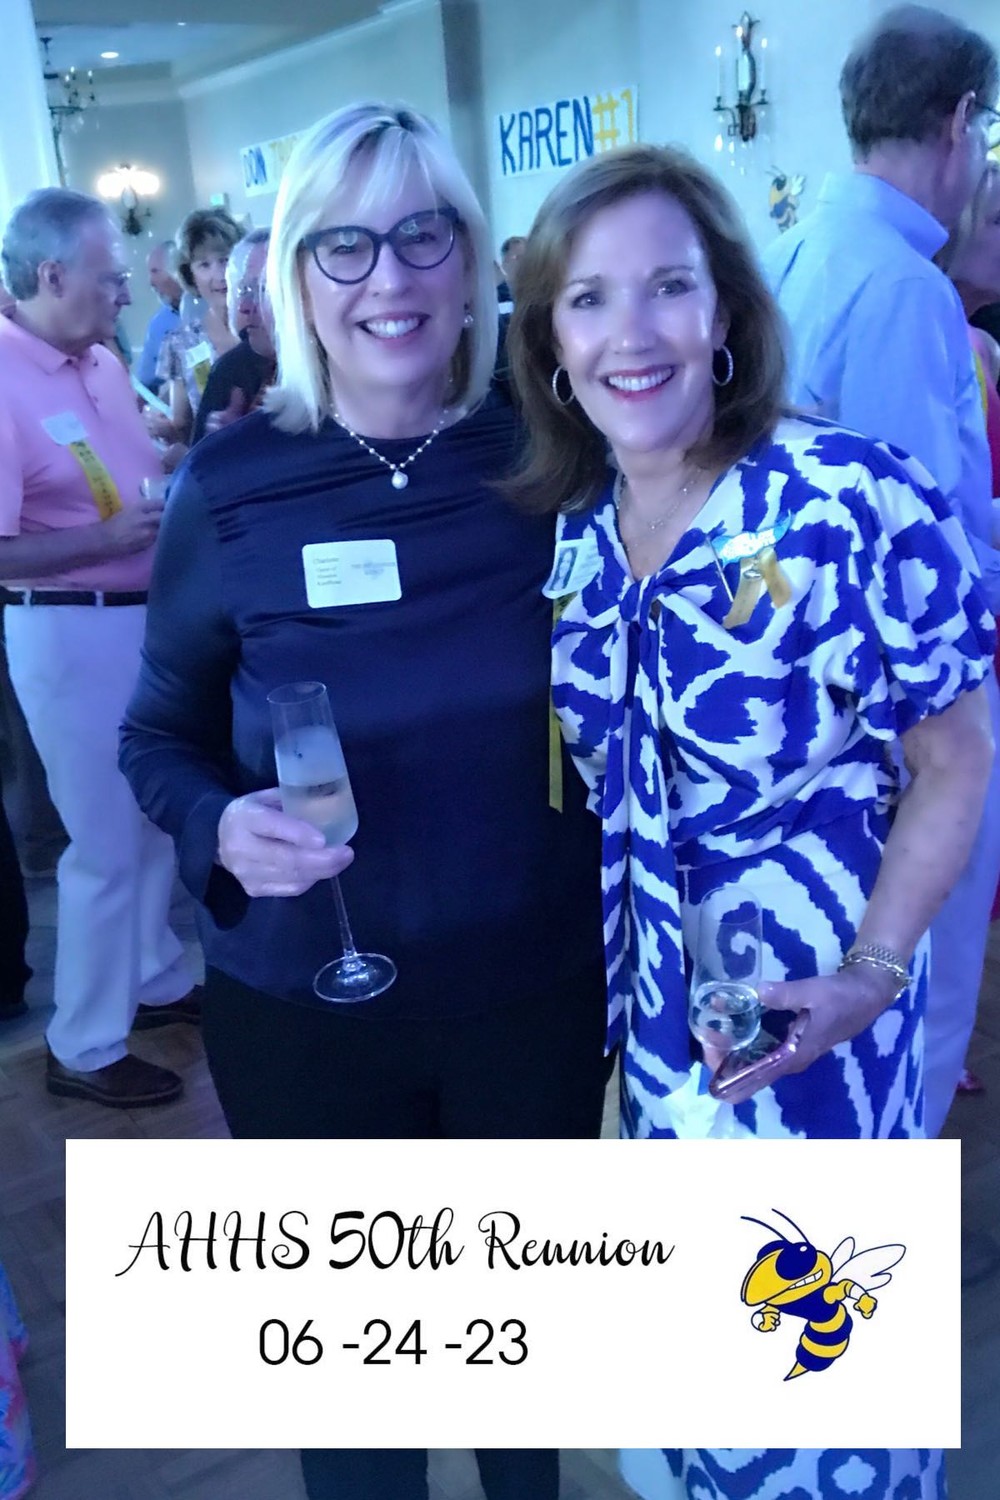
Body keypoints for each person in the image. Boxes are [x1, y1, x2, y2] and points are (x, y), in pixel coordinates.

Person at [119, 102, 608, 1500]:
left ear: (471, 258)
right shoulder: (231, 484)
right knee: (358, 1407)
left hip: (528, 991)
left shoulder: (552, 455)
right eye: (344, 245)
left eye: (420, 236)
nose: (387, 279)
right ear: (295, 274)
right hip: (308, 1009)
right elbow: (157, 734)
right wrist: (218, 825)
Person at [506, 140, 993, 1500]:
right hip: (667, 1035)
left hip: (821, 1027)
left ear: (724, 308)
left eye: (668, 286)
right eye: (589, 299)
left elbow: (958, 757)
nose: (632, 333)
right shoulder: (580, 524)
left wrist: (873, 974)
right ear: (550, 341)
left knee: (828, 1402)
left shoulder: (846, 496)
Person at [764, 4, 1000, 1139]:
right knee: (924, 988)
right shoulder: (903, 286)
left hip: (816, 682)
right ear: (960, 121)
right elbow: (918, 551)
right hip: (908, 715)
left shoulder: (799, 248)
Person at [0, 188, 199, 1108]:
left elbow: (125, 473)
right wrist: (103, 541)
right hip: (68, 627)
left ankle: (152, 974)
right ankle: (82, 1042)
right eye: (110, 278)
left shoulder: (103, 361)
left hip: (140, 619)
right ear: (51, 276)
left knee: (151, 814)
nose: (125, 293)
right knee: (105, 842)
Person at [154, 207, 242, 443]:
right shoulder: (180, 343)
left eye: (225, 260)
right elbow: (182, 426)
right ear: (190, 274)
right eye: (204, 265)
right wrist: (162, 428)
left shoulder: (270, 330)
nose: (220, 275)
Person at [190, 228, 275, 444]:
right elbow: (199, 456)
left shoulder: (338, 367)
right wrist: (226, 444)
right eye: (244, 291)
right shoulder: (231, 369)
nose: (244, 307)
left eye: (262, 291)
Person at [135, 240, 182, 394]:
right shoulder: (158, 324)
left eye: (155, 271)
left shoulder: (211, 310)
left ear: (177, 271)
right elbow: (145, 384)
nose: (151, 282)